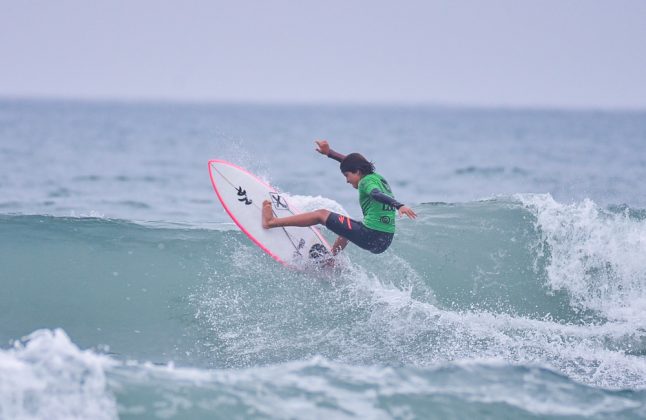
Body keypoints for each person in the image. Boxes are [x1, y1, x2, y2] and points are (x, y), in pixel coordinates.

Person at [262, 140, 417, 256]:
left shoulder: (365, 182)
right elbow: (351, 162)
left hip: (371, 235)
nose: (347, 180)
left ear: (357, 172)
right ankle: (331, 258)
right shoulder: (377, 177)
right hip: (384, 240)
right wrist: (330, 153)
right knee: (345, 227)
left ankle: (271, 222)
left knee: (321, 215)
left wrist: (399, 205)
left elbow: (376, 194)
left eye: (347, 176)